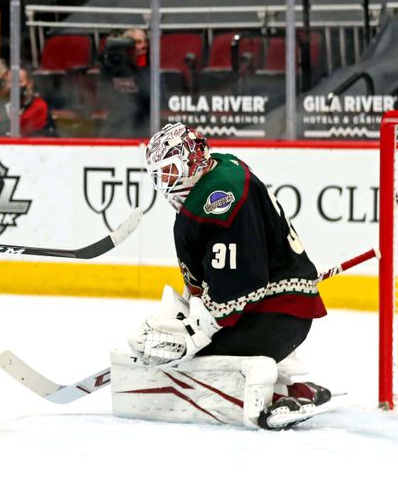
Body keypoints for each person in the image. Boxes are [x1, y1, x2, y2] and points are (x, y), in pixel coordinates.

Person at [126, 122, 331, 428]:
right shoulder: (224, 166)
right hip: (279, 310)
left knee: (197, 360)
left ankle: (275, 398)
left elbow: (242, 283)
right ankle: (291, 387)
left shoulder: (217, 200)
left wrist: (201, 331)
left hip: (274, 316)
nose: (163, 182)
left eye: (168, 171)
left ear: (192, 163)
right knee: (196, 345)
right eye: (157, 174)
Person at [0, 66, 56, 137]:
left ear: (29, 83)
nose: (14, 86)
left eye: (19, 81)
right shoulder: (6, 106)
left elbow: (19, 131)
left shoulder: (38, 105)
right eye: (10, 82)